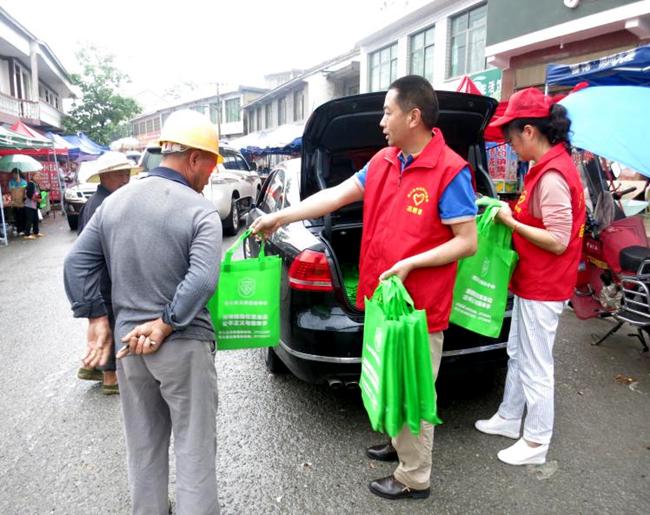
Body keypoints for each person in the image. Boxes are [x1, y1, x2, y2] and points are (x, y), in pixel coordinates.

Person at [251, 75, 478, 500]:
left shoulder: (450, 171)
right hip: (382, 296)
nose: (381, 122)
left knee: (413, 388)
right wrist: (281, 218)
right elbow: (335, 196)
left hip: (418, 307)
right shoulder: (386, 160)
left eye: (388, 113)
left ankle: (415, 476)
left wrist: (411, 262)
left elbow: (466, 241)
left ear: (414, 116)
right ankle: (398, 444)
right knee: (388, 376)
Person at [64, 109, 223, 514]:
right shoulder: (199, 210)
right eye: (210, 164)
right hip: (183, 345)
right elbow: (203, 281)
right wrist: (166, 323)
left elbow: (76, 264)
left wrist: (97, 317)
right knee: (194, 448)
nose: (210, 175)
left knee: (144, 448)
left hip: (129, 350)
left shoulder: (114, 204)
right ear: (192, 159)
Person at [474, 88, 586, 466]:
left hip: (545, 284)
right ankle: (509, 417)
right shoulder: (544, 168)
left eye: (510, 137)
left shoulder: (553, 175)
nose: (508, 145)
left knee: (537, 362)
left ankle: (537, 441)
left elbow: (557, 239)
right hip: (532, 280)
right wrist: (502, 208)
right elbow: (536, 219)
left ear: (529, 131)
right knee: (517, 352)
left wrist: (509, 221)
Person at [75, 151, 138, 395]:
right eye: (119, 174)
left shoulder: (98, 201)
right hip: (105, 277)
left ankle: (92, 366)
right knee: (111, 322)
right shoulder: (104, 204)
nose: (125, 178)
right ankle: (111, 378)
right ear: (104, 176)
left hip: (99, 276)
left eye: (127, 173)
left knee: (105, 322)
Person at [23, 171, 43, 239]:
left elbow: (38, 193)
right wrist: (37, 200)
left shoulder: (36, 184)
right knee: (29, 219)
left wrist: (40, 199)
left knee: (36, 219)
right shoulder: (30, 184)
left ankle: (36, 232)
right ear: (32, 177)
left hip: (34, 205)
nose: (38, 178)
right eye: (36, 176)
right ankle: (27, 234)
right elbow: (29, 195)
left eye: (39, 176)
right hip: (29, 205)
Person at [8, 169, 26, 235]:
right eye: (13, 174)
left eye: (15, 174)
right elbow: (10, 189)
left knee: (22, 215)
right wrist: (16, 185)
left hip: (22, 202)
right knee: (16, 216)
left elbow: (24, 190)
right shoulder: (11, 181)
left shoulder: (23, 181)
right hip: (14, 201)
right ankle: (19, 230)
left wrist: (19, 183)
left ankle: (23, 229)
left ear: (18, 174)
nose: (13, 176)